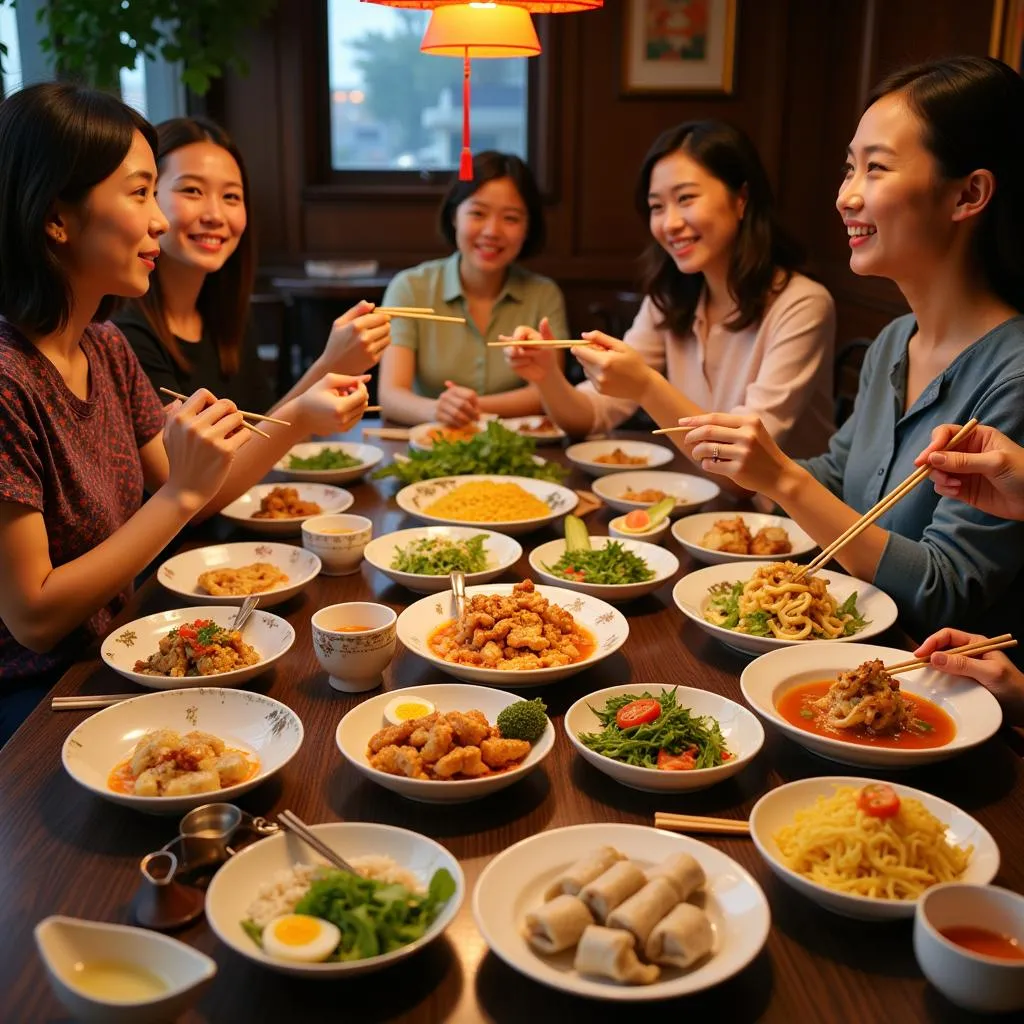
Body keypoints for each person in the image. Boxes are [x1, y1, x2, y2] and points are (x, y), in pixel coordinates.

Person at [0, 84, 369, 744]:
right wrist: (181, 491)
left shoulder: (104, 348)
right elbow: (33, 616)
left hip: (124, 649)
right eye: (142, 193)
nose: (162, 221)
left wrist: (287, 426)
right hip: (37, 699)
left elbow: (196, 494)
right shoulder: (8, 380)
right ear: (57, 217)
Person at [671, 56, 1024, 650]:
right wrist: (753, 464)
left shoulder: (1012, 374)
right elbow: (838, 477)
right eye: (849, 169)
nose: (846, 196)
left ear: (969, 193)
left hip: (935, 692)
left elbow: (945, 590)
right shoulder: (895, 339)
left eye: (876, 169)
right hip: (837, 650)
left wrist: (783, 478)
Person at [504, 120, 835, 457]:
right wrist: (547, 376)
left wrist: (646, 386)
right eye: (657, 207)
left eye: (686, 198)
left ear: (741, 199)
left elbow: (744, 465)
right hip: (700, 499)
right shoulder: (670, 297)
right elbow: (592, 414)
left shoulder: (802, 304)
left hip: (777, 510)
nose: (670, 223)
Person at [115, 116, 391, 413]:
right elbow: (210, 460)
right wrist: (330, 364)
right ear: (147, 195)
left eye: (231, 196)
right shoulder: (125, 334)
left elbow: (260, 432)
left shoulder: (226, 314)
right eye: (192, 190)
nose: (215, 215)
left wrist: (332, 370)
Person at [377, 150, 568, 427]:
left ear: (528, 228)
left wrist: (468, 407)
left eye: (511, 218)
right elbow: (391, 395)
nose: (492, 231)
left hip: (518, 448)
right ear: (455, 216)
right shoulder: (410, 288)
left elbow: (547, 394)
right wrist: (438, 410)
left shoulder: (543, 295)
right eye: (478, 213)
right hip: (429, 447)